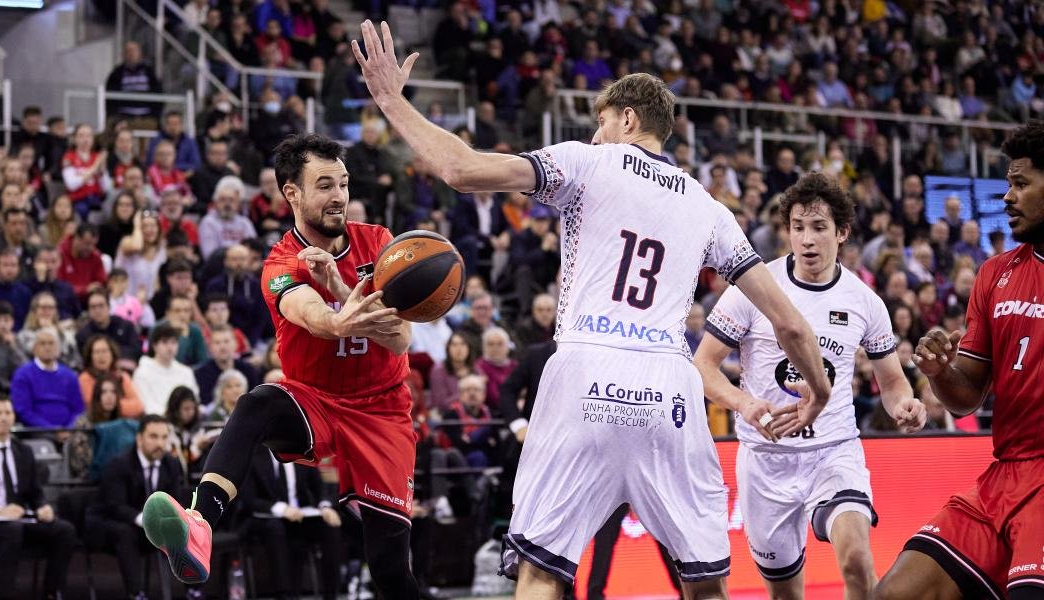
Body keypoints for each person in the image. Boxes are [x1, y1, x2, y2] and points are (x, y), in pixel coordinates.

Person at [349, 23, 831, 598]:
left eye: (602, 121)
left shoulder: (587, 162)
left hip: (585, 373)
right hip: (669, 388)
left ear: (627, 118)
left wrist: (389, 101)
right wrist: (819, 394)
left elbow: (461, 170)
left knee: (540, 571)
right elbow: (790, 324)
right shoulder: (710, 209)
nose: (596, 133)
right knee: (704, 584)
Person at [141, 133, 419, 597]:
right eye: (325, 185)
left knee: (389, 570)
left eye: (344, 184)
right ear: (292, 192)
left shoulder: (379, 243)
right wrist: (336, 311)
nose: (339, 197)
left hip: (383, 410)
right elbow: (309, 313)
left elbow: (402, 336)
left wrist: (347, 298)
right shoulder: (280, 263)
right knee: (258, 403)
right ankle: (199, 523)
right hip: (316, 399)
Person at [693, 173, 927, 598]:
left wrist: (906, 405)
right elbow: (703, 366)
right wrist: (745, 404)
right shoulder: (753, 288)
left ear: (842, 233)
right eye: (798, 227)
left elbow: (893, 382)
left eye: (819, 227)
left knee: (856, 560)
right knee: (785, 593)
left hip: (833, 451)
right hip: (766, 459)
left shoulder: (864, 301)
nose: (807, 239)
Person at [873, 121, 1044, 600]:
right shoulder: (995, 274)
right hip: (1003, 476)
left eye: (1022, 184)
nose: (1007, 197)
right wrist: (940, 372)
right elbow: (966, 397)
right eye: (1008, 183)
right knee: (892, 595)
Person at [0, 395, 78, 600]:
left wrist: (43, 506)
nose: (4, 418)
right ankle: (6, 595)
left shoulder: (24, 451)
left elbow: (34, 492)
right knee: (12, 530)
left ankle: (52, 592)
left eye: (8, 413)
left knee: (64, 530)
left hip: (19, 518)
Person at [93, 415, 185, 599]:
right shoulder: (119, 464)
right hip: (113, 523)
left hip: (152, 527)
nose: (160, 443)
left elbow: (175, 501)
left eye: (164, 437)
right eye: (153, 437)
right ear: (139, 438)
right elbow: (114, 506)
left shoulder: (172, 464)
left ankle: (193, 590)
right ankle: (137, 594)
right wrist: (147, 520)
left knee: (189, 528)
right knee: (127, 533)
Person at [242, 444, 344, 600]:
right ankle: (285, 595)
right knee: (276, 528)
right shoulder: (253, 455)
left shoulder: (301, 453)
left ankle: (332, 593)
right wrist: (282, 509)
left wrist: (325, 506)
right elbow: (248, 499)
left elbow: (319, 486)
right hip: (264, 517)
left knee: (330, 525)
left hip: (299, 516)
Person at [9, 327, 84, 428]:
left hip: (70, 432)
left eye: (51, 343)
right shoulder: (22, 374)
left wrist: (69, 429)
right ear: (34, 349)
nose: (47, 347)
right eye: (42, 343)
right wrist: (51, 430)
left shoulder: (70, 376)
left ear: (58, 348)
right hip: (36, 432)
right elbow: (23, 410)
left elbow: (78, 409)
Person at [133, 323, 199, 415]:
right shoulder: (142, 372)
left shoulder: (186, 372)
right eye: (164, 342)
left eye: (173, 342)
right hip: (157, 422)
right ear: (154, 346)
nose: (169, 347)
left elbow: (194, 400)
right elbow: (147, 405)